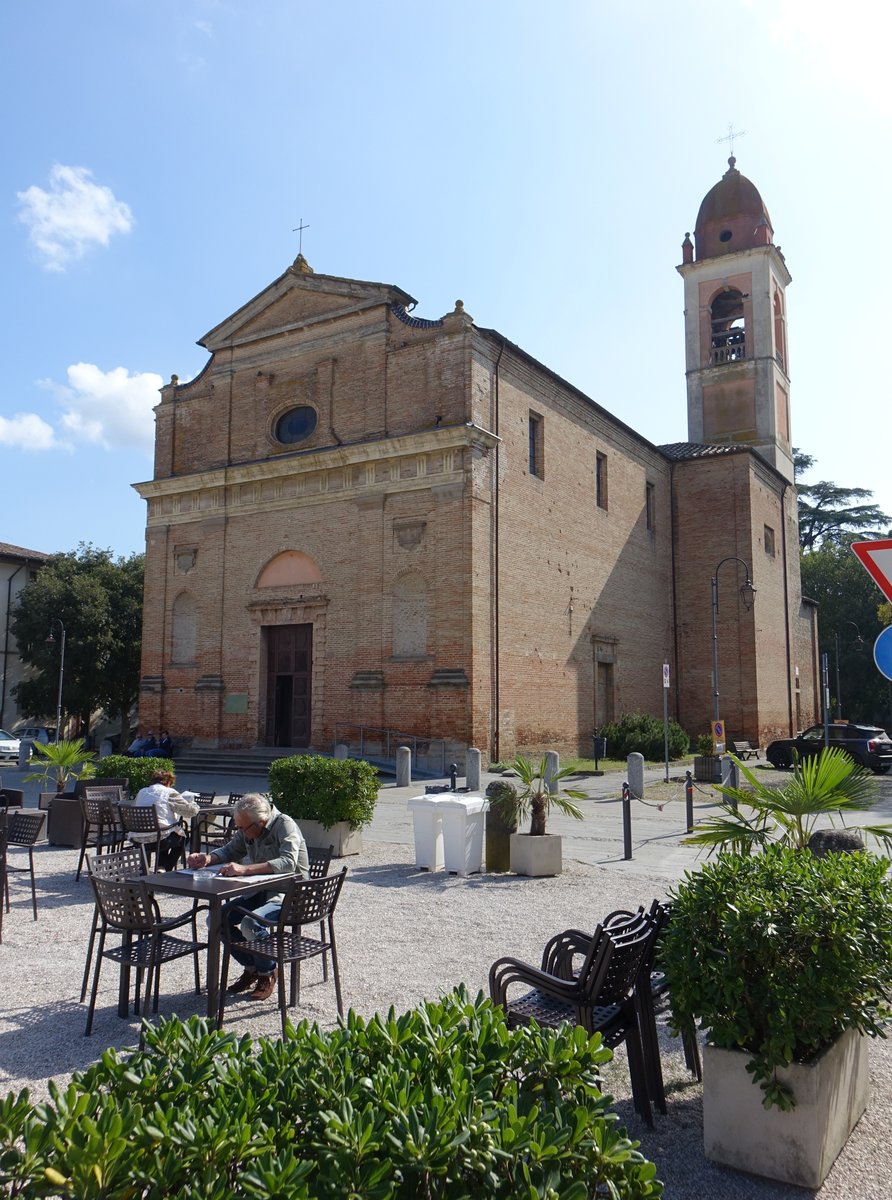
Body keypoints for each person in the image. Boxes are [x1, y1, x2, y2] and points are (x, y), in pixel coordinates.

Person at [187, 793, 309, 1001]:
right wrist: (207, 858)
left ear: (261, 822)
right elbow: (231, 850)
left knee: (250, 924)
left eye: (243, 828)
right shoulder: (248, 826)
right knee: (216, 919)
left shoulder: (284, 825)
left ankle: (267, 973)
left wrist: (245, 870)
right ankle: (252, 968)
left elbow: (288, 862)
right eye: (238, 828)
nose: (241, 832)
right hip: (258, 890)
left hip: (288, 894)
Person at [133, 768, 191, 870]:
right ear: (169, 781)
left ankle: (160, 867)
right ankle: (166, 867)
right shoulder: (169, 792)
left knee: (166, 830)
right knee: (184, 836)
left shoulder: (142, 791)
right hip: (158, 839)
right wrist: (192, 803)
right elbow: (190, 812)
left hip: (137, 838)